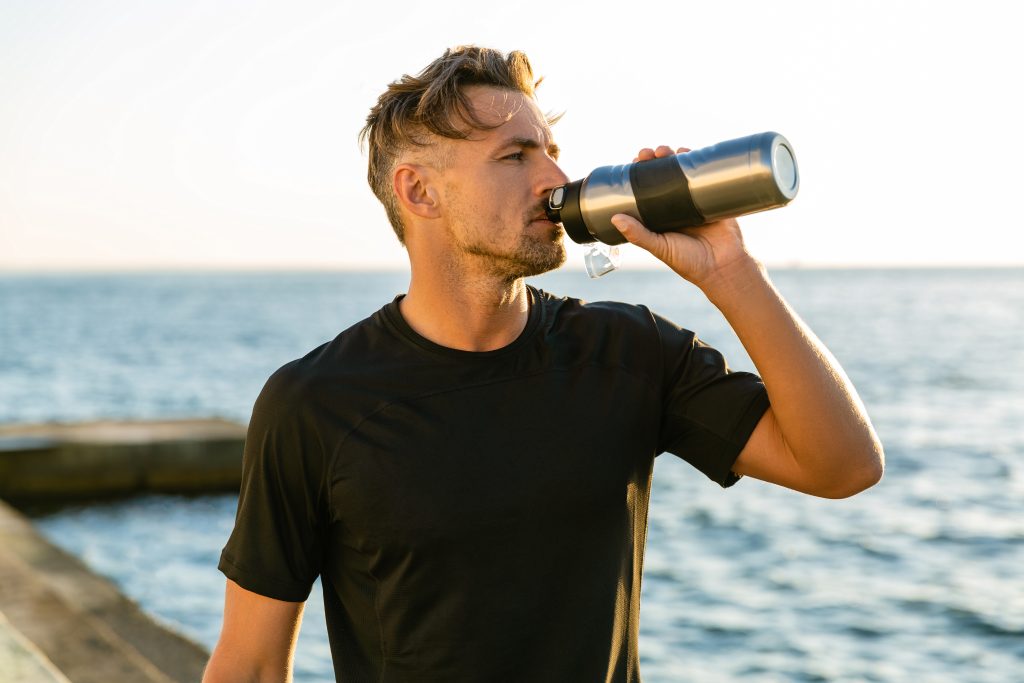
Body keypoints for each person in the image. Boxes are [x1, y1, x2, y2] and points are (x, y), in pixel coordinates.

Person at [202, 46, 884, 683]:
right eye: (516, 156)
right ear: (419, 192)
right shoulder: (316, 402)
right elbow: (252, 664)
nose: (556, 180)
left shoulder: (630, 351)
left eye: (552, 152)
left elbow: (843, 465)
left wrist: (732, 272)